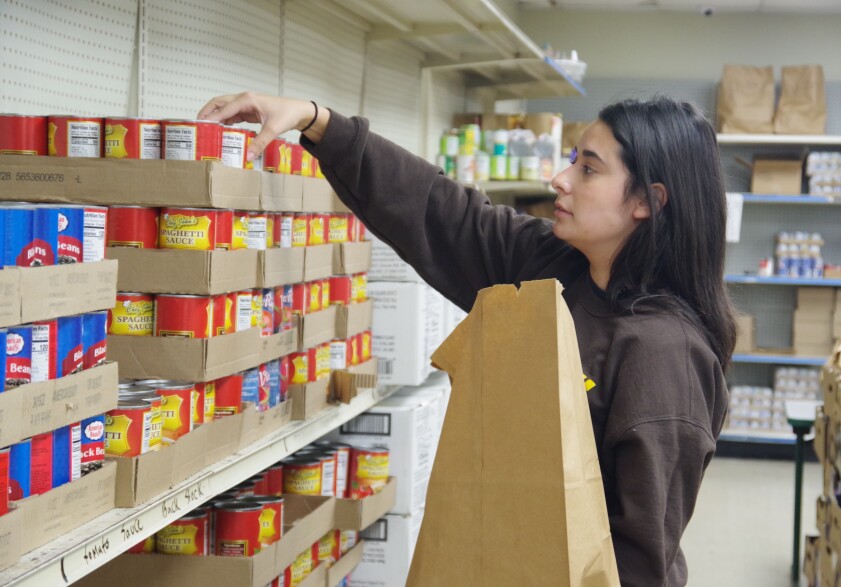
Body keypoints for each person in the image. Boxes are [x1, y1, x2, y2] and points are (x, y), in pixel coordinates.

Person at [199, 92, 734, 586]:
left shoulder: (665, 358)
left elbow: (642, 558)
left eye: (588, 169)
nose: (561, 178)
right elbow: (442, 211)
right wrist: (319, 122)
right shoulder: (555, 270)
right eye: (573, 159)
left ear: (647, 201)